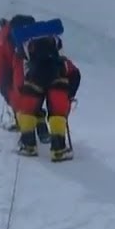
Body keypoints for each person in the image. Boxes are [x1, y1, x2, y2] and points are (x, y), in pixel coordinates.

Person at [10, 16, 74, 161]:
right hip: (57, 77)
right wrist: (69, 93)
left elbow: (20, 73)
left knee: (28, 111)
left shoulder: (23, 45)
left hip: (33, 78)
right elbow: (73, 72)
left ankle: (28, 146)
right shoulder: (55, 40)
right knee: (57, 113)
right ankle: (59, 150)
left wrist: (21, 89)